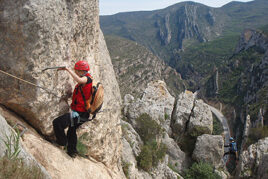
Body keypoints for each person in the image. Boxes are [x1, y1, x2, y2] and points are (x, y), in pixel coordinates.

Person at [53, 60, 92, 158]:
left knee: (57, 123)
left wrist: (67, 69)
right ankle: (72, 151)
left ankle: (62, 143)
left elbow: (79, 80)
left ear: (81, 71)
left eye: (77, 71)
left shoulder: (87, 79)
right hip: (82, 113)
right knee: (72, 129)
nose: (76, 72)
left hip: (80, 114)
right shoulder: (87, 78)